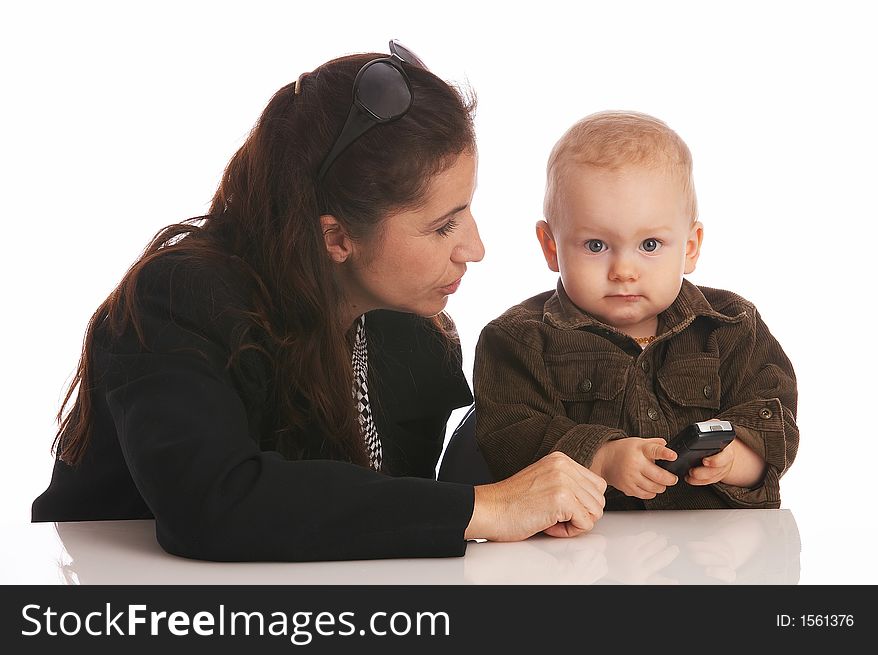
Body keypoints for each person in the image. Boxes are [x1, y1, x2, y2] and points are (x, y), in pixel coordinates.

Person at [31, 41, 607, 561]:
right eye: (442, 226)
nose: (474, 249)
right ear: (335, 237)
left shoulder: (412, 333)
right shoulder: (178, 299)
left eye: (467, 209)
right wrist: (483, 508)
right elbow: (214, 505)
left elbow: (378, 521)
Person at [473, 110, 798, 510]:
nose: (624, 272)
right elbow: (509, 438)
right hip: (584, 557)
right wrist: (601, 457)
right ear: (551, 246)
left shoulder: (730, 326)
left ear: (690, 247)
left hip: (713, 553)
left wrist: (734, 460)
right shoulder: (518, 341)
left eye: (649, 245)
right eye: (596, 246)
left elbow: (774, 421)